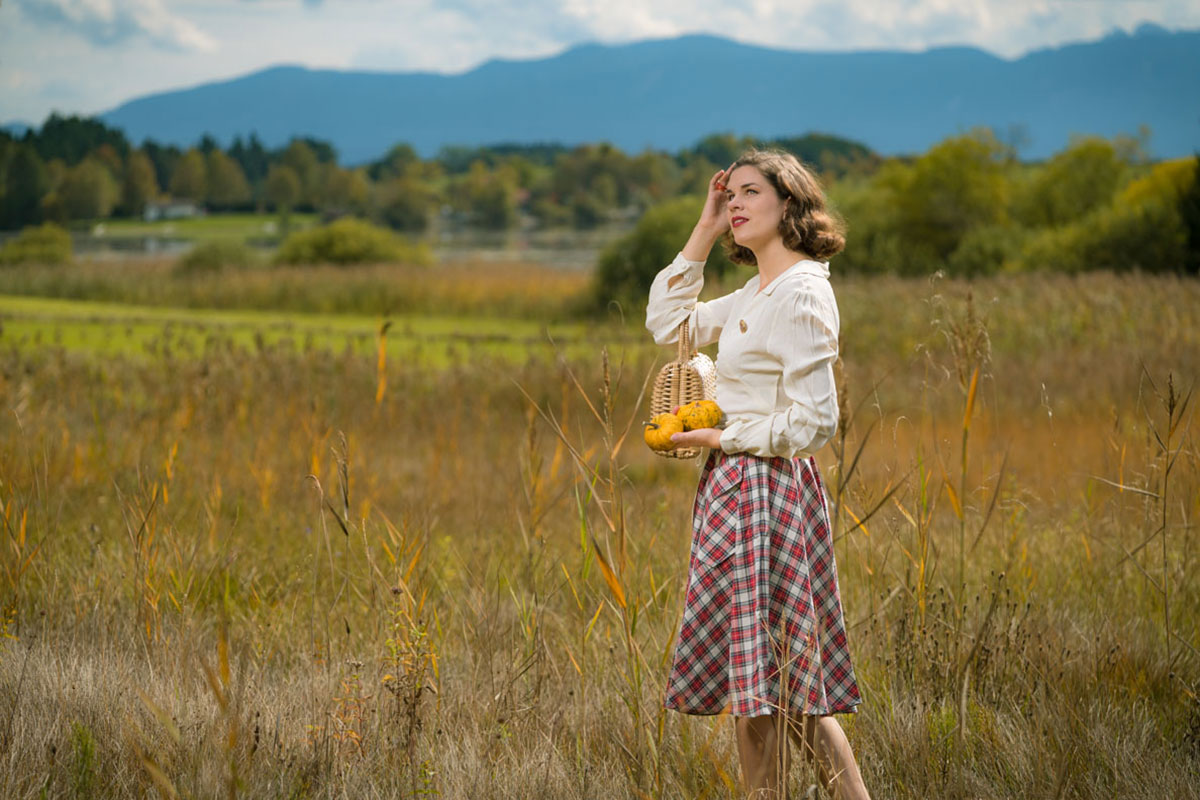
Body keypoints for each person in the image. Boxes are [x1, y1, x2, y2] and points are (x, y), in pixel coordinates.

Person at [645, 149, 871, 800]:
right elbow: (670, 324)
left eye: (750, 193)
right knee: (778, 682)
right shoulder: (759, 289)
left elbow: (817, 421)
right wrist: (705, 229)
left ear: (789, 205)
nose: (737, 203)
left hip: (765, 490)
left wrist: (726, 435)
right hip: (736, 487)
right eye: (730, 194)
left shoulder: (801, 293)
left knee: (763, 688)